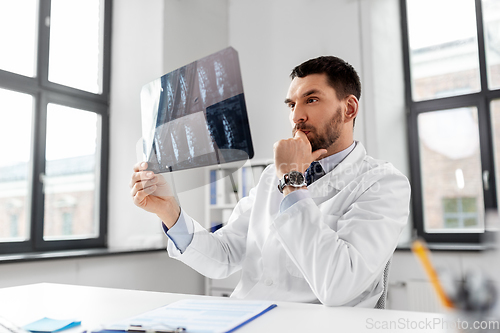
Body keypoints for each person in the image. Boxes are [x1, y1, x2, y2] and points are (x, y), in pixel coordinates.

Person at [130, 56, 411, 307]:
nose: (296, 116)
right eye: (292, 104)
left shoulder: (383, 183)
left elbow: (338, 286)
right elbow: (225, 256)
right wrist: (169, 212)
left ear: (349, 108)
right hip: (248, 317)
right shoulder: (270, 176)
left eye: (311, 100)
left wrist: (292, 182)